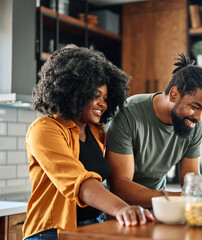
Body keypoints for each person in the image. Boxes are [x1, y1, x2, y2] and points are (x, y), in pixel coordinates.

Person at [23, 45, 153, 240]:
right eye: (96, 96)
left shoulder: (96, 131)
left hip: (94, 225)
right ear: (74, 92)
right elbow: (79, 181)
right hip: (51, 232)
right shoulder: (44, 129)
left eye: (106, 98)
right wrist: (122, 209)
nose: (103, 104)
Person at [105, 53, 202, 208]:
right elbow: (120, 187)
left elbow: (190, 180)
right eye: (195, 107)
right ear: (174, 94)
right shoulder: (128, 114)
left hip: (160, 206)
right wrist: (178, 197)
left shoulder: (193, 123)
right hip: (121, 209)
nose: (200, 117)